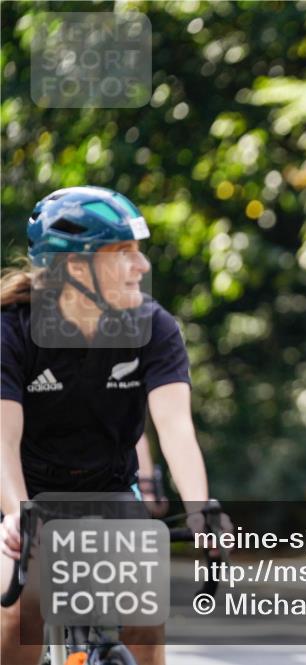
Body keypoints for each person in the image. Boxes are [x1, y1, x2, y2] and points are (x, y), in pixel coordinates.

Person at [0, 186, 219, 665]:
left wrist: (200, 509)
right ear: (76, 269)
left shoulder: (154, 327)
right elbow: (3, 440)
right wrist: (17, 513)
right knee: (19, 616)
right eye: (124, 254)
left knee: (144, 617)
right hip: (21, 493)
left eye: (139, 252)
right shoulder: (12, 329)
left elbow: (176, 426)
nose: (142, 267)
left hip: (108, 489)